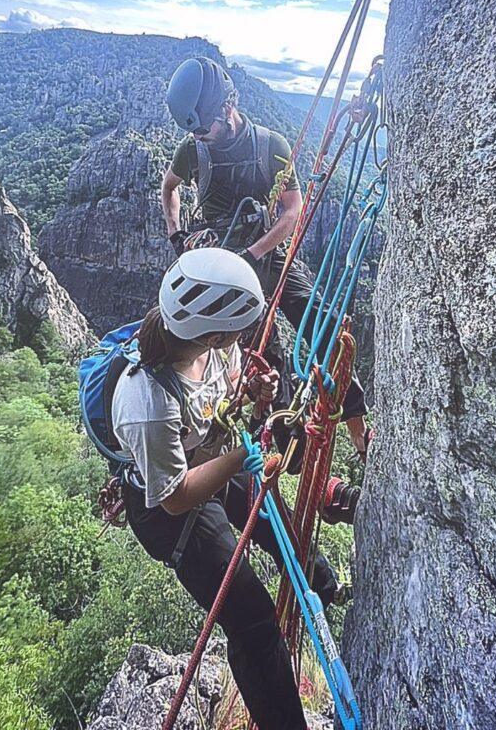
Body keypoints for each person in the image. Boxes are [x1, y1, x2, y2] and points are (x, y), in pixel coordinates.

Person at [114, 248, 338, 730]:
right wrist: (239, 457)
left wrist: (256, 396)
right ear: (211, 333)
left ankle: (323, 586)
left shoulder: (211, 346)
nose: (246, 338)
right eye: (238, 331)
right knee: (254, 622)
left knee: (283, 531)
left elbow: (225, 396)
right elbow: (174, 496)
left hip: (215, 457)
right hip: (172, 512)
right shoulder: (145, 402)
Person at [160, 55, 372, 460]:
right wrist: (177, 236)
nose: (202, 136)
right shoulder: (193, 151)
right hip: (223, 263)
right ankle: (281, 443)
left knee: (321, 326)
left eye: (207, 128)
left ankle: (361, 433)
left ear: (226, 106)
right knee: (263, 357)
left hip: (268, 252)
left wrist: (254, 252)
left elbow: (293, 210)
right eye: (197, 132)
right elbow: (169, 187)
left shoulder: (269, 145)